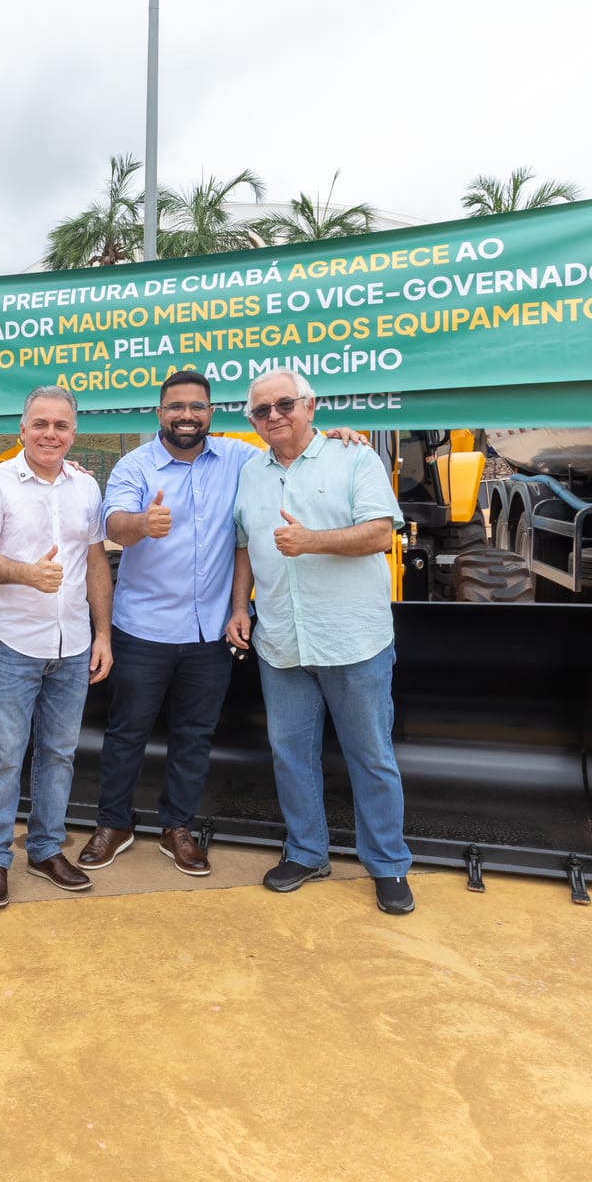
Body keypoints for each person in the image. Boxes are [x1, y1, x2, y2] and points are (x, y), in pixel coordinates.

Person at [225, 369, 415, 915]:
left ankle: (388, 864)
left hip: (353, 640)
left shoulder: (354, 458)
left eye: (284, 404)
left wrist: (312, 541)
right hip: (281, 641)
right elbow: (244, 546)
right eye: (261, 410)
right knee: (291, 756)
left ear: (311, 405)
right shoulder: (250, 472)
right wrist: (242, 607)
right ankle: (307, 851)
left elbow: (382, 532)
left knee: (371, 757)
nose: (273, 416)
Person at [82, 369, 254, 877]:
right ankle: (114, 824)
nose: (186, 415)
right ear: (159, 414)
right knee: (127, 732)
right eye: (175, 407)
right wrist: (142, 524)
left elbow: (289, 453)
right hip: (144, 629)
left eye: (196, 407)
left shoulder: (240, 459)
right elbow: (114, 523)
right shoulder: (135, 466)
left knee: (194, 734)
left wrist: (338, 438)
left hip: (210, 632)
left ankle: (177, 826)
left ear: (210, 414)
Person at [0, 385, 112, 909]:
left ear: (74, 433)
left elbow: (95, 562)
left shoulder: (86, 488)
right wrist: (28, 574)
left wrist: (102, 634)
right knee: (4, 755)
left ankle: (47, 849)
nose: (51, 433)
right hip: (12, 643)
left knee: (59, 753)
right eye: (41, 424)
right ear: (22, 429)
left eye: (61, 426)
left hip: (72, 645)